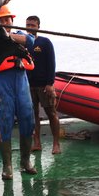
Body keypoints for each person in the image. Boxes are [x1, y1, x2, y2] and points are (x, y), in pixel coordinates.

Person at [0, 4, 37, 180]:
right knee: (3, 121)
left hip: (21, 82)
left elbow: (31, 42)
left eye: (7, 19)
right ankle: (7, 166)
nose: (5, 22)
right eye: (1, 20)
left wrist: (8, 36)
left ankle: (25, 162)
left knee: (27, 118)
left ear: (12, 20)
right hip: (1, 84)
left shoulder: (21, 35)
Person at [24, 15, 61, 154]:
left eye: (32, 25)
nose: (29, 28)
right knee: (33, 115)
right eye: (27, 25)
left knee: (51, 113)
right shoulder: (23, 43)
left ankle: (56, 144)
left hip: (44, 86)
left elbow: (51, 63)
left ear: (38, 26)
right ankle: (37, 142)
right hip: (28, 85)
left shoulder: (45, 42)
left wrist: (50, 83)